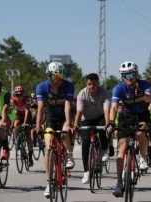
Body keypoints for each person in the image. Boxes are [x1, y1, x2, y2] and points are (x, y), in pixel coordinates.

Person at [106, 61, 151, 197]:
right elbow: (114, 107)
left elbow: (149, 99)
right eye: (125, 75)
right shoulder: (118, 89)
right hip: (126, 117)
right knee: (122, 148)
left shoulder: (145, 84)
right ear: (122, 76)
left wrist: (142, 94)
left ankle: (143, 158)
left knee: (140, 133)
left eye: (131, 74)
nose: (129, 77)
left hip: (142, 115)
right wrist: (110, 121)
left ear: (136, 74)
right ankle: (119, 183)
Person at [34, 61, 75, 198]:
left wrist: (69, 123)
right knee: (48, 148)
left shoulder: (68, 86)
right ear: (48, 76)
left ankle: (69, 154)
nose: (57, 80)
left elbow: (67, 106)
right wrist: (38, 125)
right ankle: (49, 182)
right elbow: (40, 108)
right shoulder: (41, 87)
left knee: (64, 132)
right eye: (54, 77)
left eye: (60, 77)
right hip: (51, 118)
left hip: (64, 117)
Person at [73, 73, 111, 184]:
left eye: (94, 84)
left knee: (102, 129)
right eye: (89, 84)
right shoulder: (82, 94)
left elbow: (106, 110)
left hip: (100, 117)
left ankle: (104, 149)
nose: (91, 86)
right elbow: (79, 111)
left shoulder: (104, 93)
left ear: (98, 83)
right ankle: (86, 171)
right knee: (85, 143)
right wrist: (76, 124)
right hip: (86, 119)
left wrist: (108, 124)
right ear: (86, 84)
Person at [10, 85, 34, 166]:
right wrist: (12, 122)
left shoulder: (27, 99)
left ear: (23, 94)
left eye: (21, 95)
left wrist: (25, 122)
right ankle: (17, 139)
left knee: (28, 136)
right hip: (18, 115)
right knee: (16, 124)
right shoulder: (12, 100)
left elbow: (27, 110)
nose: (19, 97)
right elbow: (12, 111)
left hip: (26, 115)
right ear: (14, 95)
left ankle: (30, 157)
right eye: (17, 95)